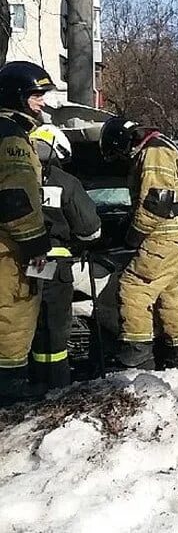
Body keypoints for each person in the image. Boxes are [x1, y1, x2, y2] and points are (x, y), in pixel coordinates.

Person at [100, 117, 178, 370]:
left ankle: (137, 353)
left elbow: (156, 202)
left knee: (134, 287)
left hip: (163, 233)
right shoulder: (162, 146)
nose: (123, 158)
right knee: (173, 294)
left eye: (119, 152)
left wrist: (134, 236)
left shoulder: (153, 153)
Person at [29, 125, 101, 390]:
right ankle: (56, 388)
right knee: (54, 331)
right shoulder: (65, 182)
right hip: (52, 263)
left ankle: (26, 384)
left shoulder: (13, 175)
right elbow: (90, 229)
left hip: (20, 263)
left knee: (27, 326)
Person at [0, 61, 54, 404]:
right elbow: (16, 199)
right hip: (8, 253)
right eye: (36, 95)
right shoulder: (11, 137)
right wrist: (38, 243)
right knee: (11, 324)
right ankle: (10, 401)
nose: (42, 103)